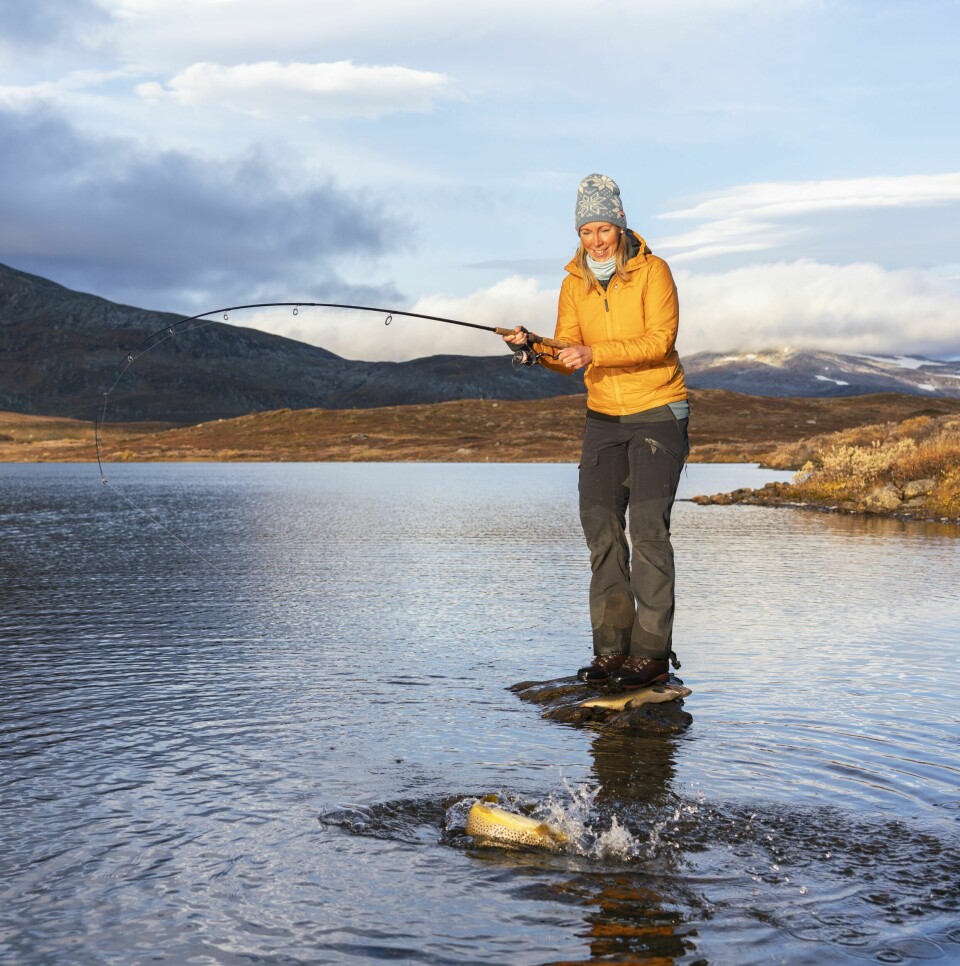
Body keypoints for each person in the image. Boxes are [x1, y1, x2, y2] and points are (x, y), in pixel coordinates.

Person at [505, 173, 689, 689]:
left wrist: (595, 353)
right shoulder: (573, 283)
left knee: (649, 530)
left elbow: (660, 341)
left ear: (620, 225)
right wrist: (535, 348)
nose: (596, 240)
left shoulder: (654, 273)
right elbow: (567, 352)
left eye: (603, 228)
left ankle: (651, 655)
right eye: (586, 231)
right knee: (602, 529)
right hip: (603, 419)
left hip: (658, 412)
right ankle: (611, 652)